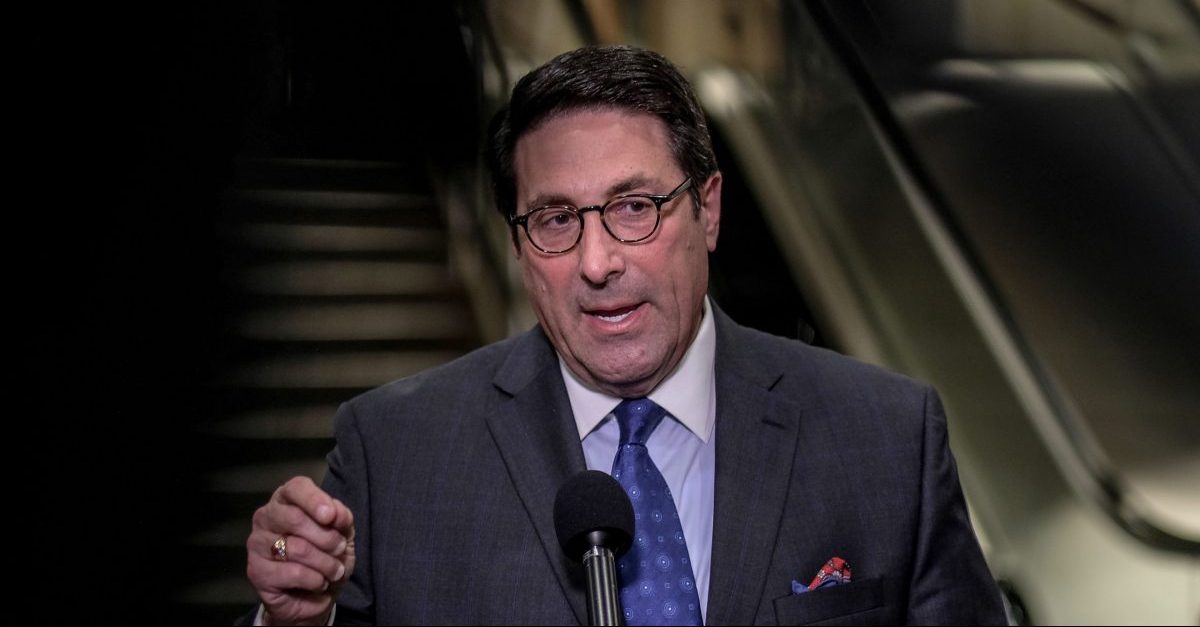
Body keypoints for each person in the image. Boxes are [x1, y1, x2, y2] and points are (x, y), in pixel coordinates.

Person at [244, 45, 1006, 626]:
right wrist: (289, 615)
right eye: (555, 219)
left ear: (707, 209)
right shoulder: (395, 452)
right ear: (517, 246)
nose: (597, 261)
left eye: (635, 206)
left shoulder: (886, 438)